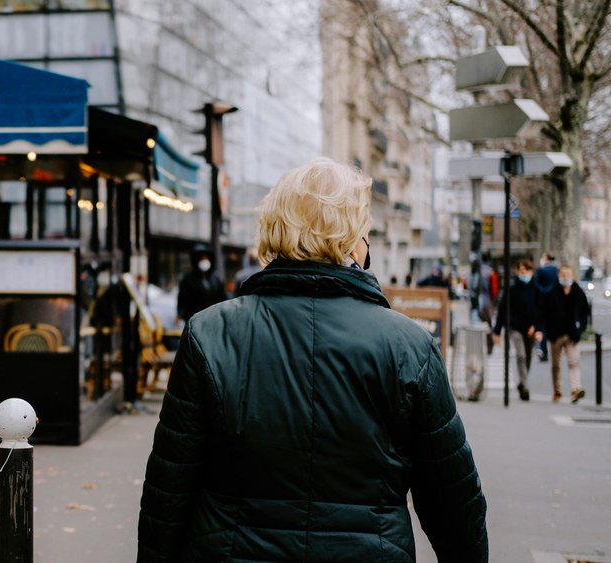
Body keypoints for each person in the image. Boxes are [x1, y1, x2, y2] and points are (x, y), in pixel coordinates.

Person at [138, 158, 488, 562]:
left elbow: (169, 488)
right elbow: (453, 500)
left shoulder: (211, 334)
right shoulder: (408, 345)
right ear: (354, 238)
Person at [535, 265, 590, 403]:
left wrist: (581, 329)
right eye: (564, 275)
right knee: (556, 365)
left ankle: (575, 389)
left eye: (568, 274)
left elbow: (585, 312)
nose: (566, 277)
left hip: (572, 334)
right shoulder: (552, 292)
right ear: (559, 276)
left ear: (573, 276)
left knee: (574, 362)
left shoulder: (578, 292)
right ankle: (557, 391)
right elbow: (543, 313)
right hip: (556, 334)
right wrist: (541, 329)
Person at [493, 258, 539, 401]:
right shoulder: (512, 289)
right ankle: (525, 386)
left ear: (531, 272)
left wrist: (536, 327)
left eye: (526, 271)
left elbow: (541, 310)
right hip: (515, 327)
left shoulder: (536, 289)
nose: (523, 273)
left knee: (528, 357)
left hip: (530, 328)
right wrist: (497, 331)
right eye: (521, 271)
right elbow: (502, 309)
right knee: (521, 355)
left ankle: (521, 381)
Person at [176, 244, 227, 324]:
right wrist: (179, 315)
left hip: (213, 318)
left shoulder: (216, 279)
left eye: (206, 258)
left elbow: (222, 298)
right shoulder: (187, 279)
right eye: (201, 259)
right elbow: (182, 299)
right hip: (194, 319)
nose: (204, 261)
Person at [533, 252, 559, 362]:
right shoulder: (557, 271)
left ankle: (545, 352)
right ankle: (555, 352)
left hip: (542, 303)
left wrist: (543, 292)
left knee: (542, 328)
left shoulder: (541, 271)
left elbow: (536, 285)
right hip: (555, 303)